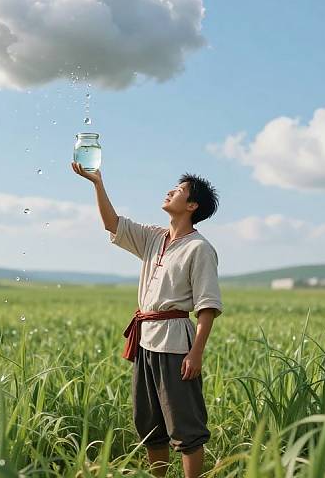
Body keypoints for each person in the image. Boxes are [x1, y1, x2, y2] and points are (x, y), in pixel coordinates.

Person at [71, 162, 223, 478]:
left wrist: (196, 352)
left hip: (175, 344)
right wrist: (97, 184)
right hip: (145, 341)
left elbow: (207, 306)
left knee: (185, 424)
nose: (170, 191)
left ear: (192, 206)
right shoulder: (155, 237)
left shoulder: (200, 248)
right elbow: (112, 223)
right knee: (149, 421)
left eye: (179, 191)